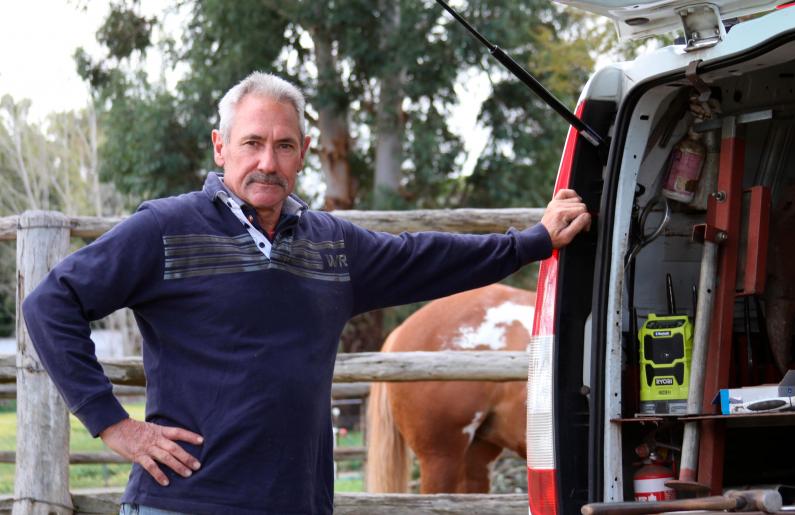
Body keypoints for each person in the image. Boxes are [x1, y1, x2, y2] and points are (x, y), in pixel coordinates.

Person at [21, 71, 589, 515]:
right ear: (221, 147)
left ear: (304, 151)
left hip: (298, 501)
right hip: (185, 500)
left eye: (284, 146)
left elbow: (428, 257)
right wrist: (114, 424)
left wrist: (532, 241)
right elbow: (50, 304)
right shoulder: (166, 229)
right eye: (252, 143)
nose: (267, 162)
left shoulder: (332, 247)